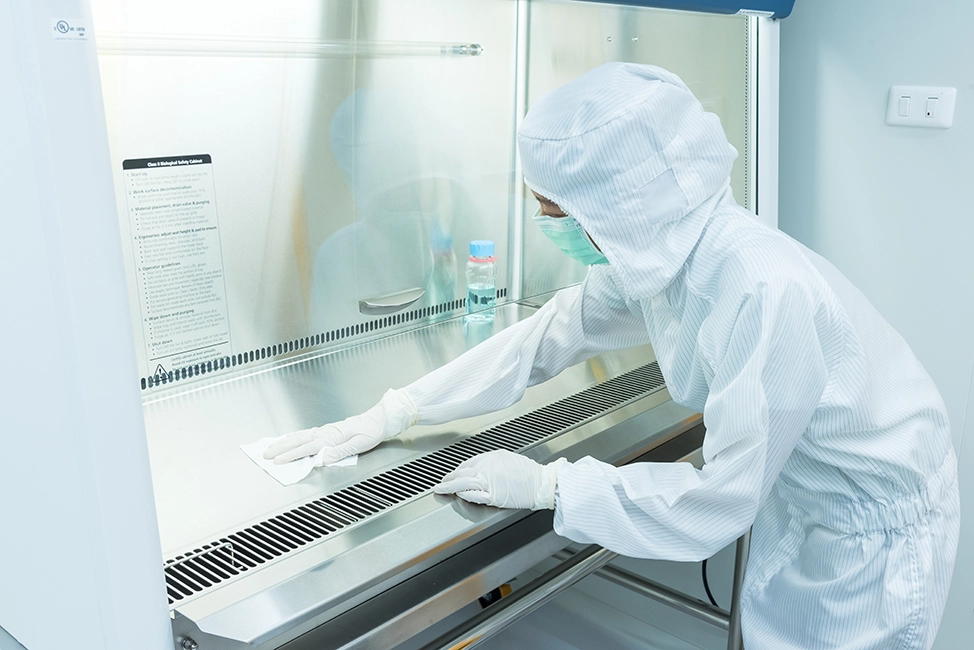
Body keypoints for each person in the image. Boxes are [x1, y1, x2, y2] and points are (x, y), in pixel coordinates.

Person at [265, 63, 959, 649]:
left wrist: (553, 488)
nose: (544, 223)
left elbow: (718, 504)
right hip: (806, 503)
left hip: (872, 537)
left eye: (552, 209)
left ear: (617, 204)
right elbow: (548, 336)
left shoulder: (758, 288)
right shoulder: (661, 257)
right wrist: (401, 409)